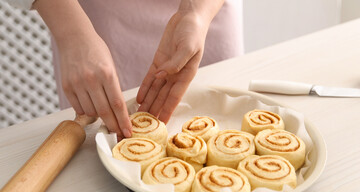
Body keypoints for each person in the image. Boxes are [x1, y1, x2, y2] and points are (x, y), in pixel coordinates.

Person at [6, 0, 243, 138]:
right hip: (88, 20)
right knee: (98, 141)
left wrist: (196, 13)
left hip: (206, 12)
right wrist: (72, 33)